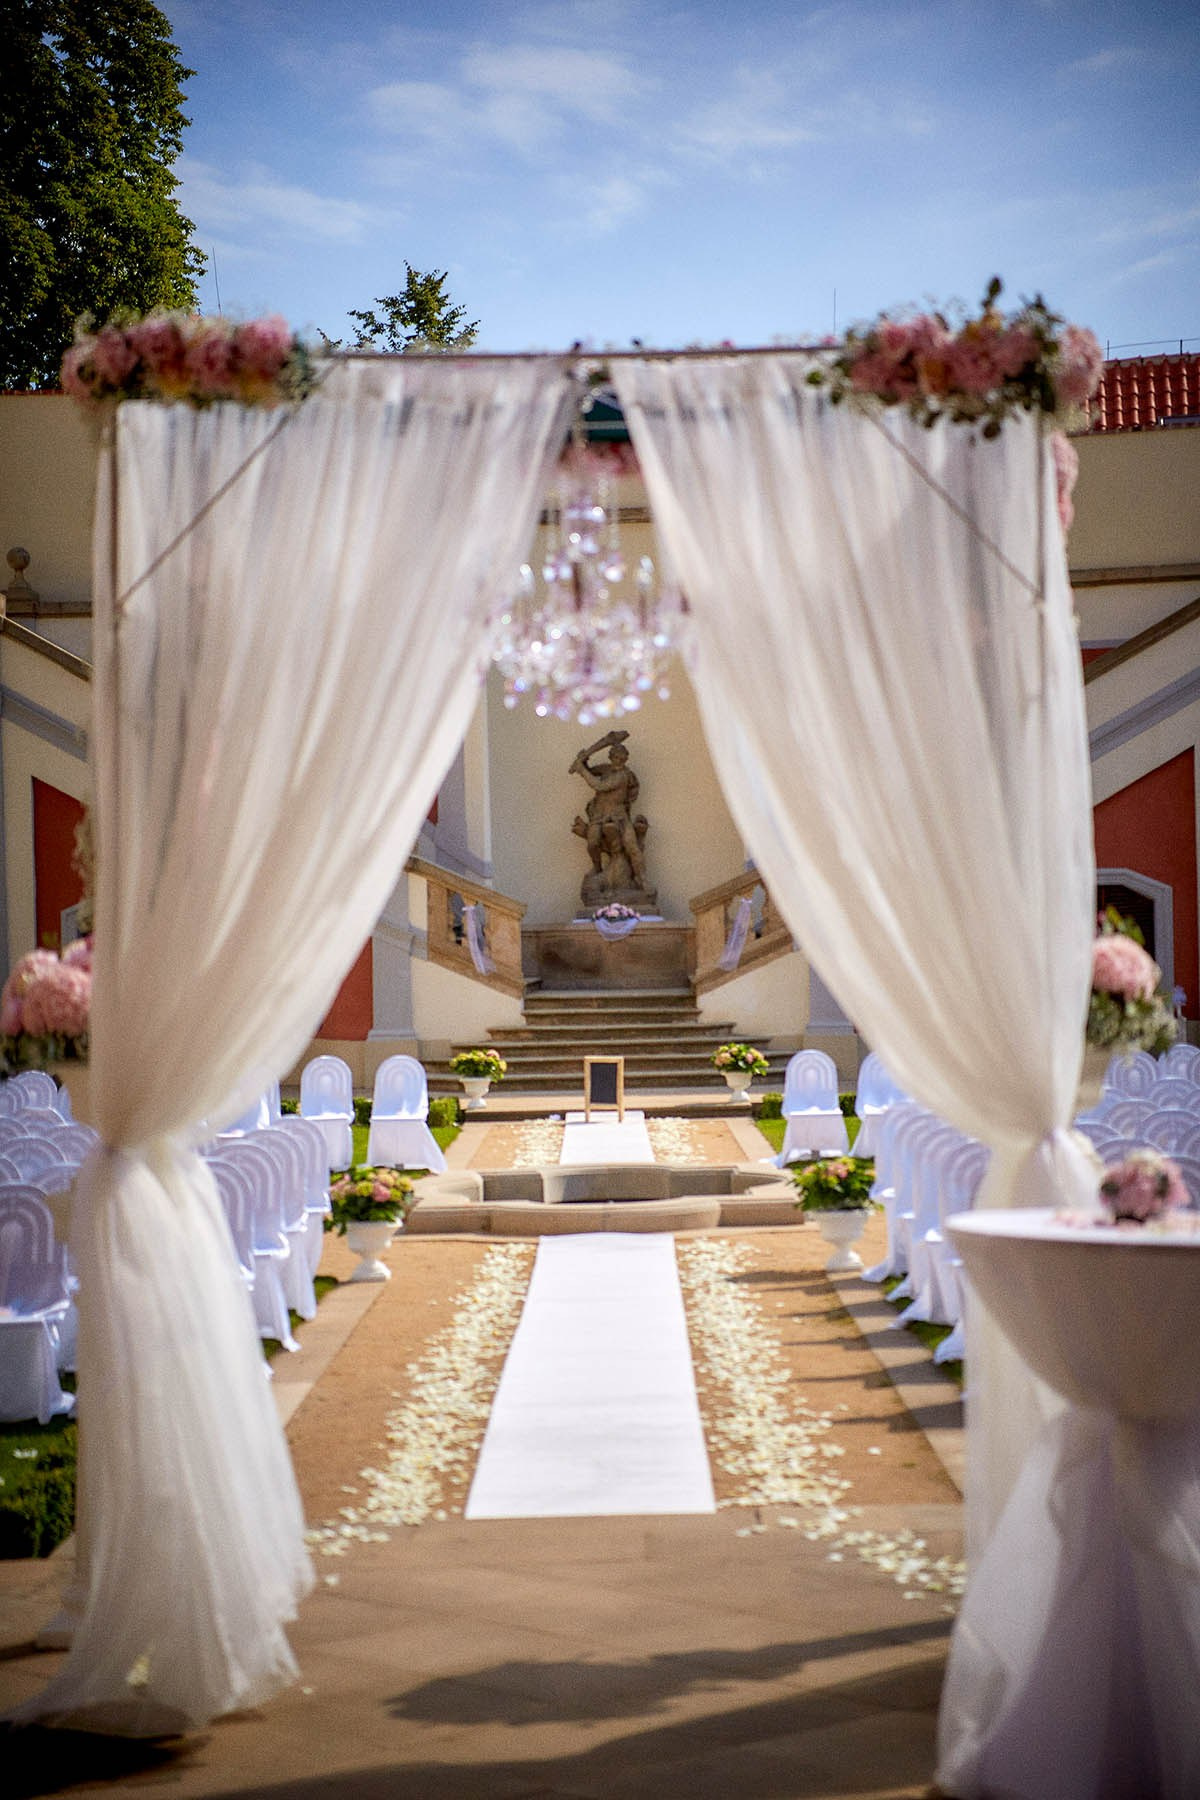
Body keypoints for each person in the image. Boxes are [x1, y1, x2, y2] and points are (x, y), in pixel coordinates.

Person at [570, 730, 648, 891]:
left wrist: (581, 770)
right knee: (592, 843)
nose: (619, 761)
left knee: (632, 847)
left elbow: (599, 785)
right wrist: (584, 761)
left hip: (618, 815)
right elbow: (592, 772)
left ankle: (642, 879)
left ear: (626, 759)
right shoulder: (606, 769)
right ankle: (597, 867)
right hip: (599, 813)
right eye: (616, 758)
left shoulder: (624, 776)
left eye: (623, 759)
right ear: (611, 757)